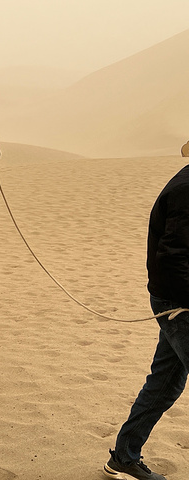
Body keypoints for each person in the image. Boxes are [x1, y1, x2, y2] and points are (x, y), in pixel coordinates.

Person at [103, 163, 189, 480]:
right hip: (179, 305)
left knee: (166, 383)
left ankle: (123, 458)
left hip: (176, 301)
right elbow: (173, 258)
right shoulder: (186, 189)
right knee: (166, 384)